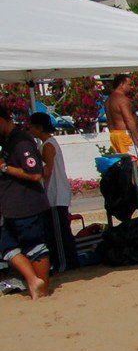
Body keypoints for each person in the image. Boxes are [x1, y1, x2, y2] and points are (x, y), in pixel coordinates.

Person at [0, 105, 53, 298]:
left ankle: (42, 290)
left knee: (35, 247)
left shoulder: (21, 141)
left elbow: (35, 173)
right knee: (7, 247)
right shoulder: (8, 140)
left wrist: (5, 168)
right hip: (12, 205)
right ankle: (33, 280)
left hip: (27, 203)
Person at [27, 112, 78, 272]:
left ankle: (64, 264)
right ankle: (65, 262)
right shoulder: (48, 144)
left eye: (31, 127)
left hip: (56, 194)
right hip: (55, 194)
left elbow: (48, 171)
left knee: (59, 233)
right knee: (58, 231)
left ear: (39, 128)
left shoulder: (48, 145)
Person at [106, 74, 138, 165]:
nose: (132, 87)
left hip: (114, 134)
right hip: (125, 135)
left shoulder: (108, 100)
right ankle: (134, 180)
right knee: (136, 165)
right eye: (129, 84)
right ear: (122, 84)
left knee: (124, 165)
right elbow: (128, 119)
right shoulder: (122, 99)